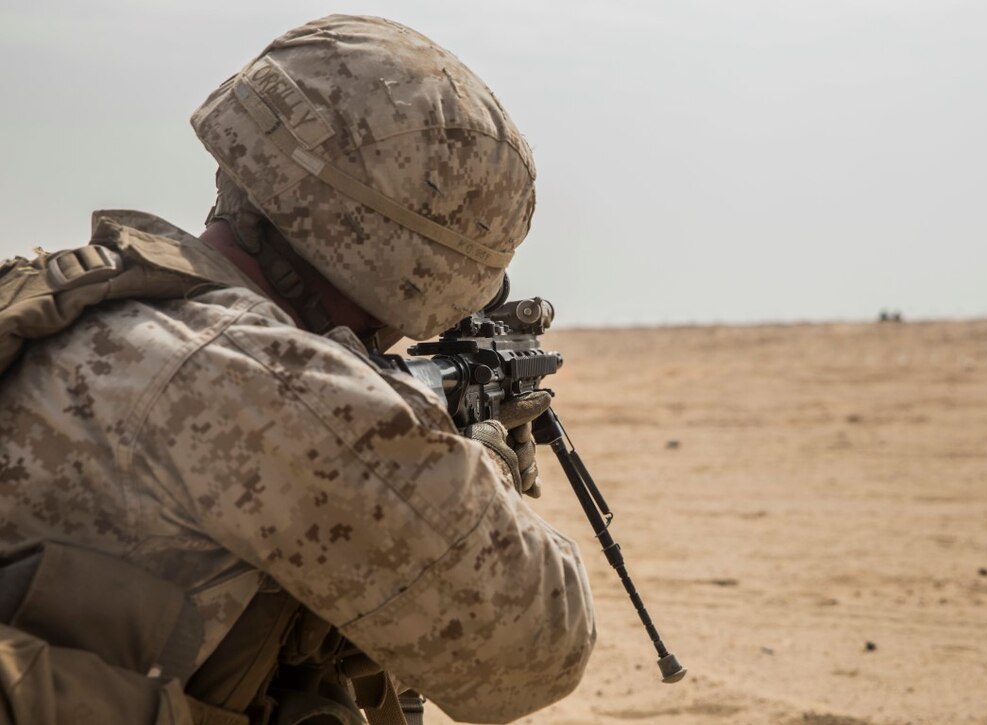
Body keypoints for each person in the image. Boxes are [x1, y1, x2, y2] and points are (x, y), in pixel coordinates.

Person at [0, 15, 595, 725]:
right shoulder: (273, 383)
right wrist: (479, 465)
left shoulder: (67, 296)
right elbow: (533, 652)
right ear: (411, 265)